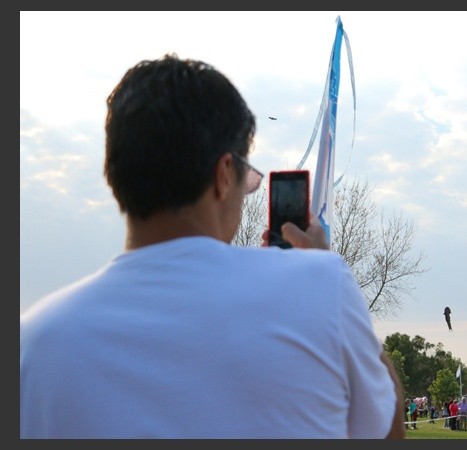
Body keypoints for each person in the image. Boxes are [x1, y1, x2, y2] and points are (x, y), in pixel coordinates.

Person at [19, 53, 405, 439]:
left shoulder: (34, 343)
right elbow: (386, 429)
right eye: (248, 179)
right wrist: (326, 277)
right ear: (223, 175)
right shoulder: (321, 283)